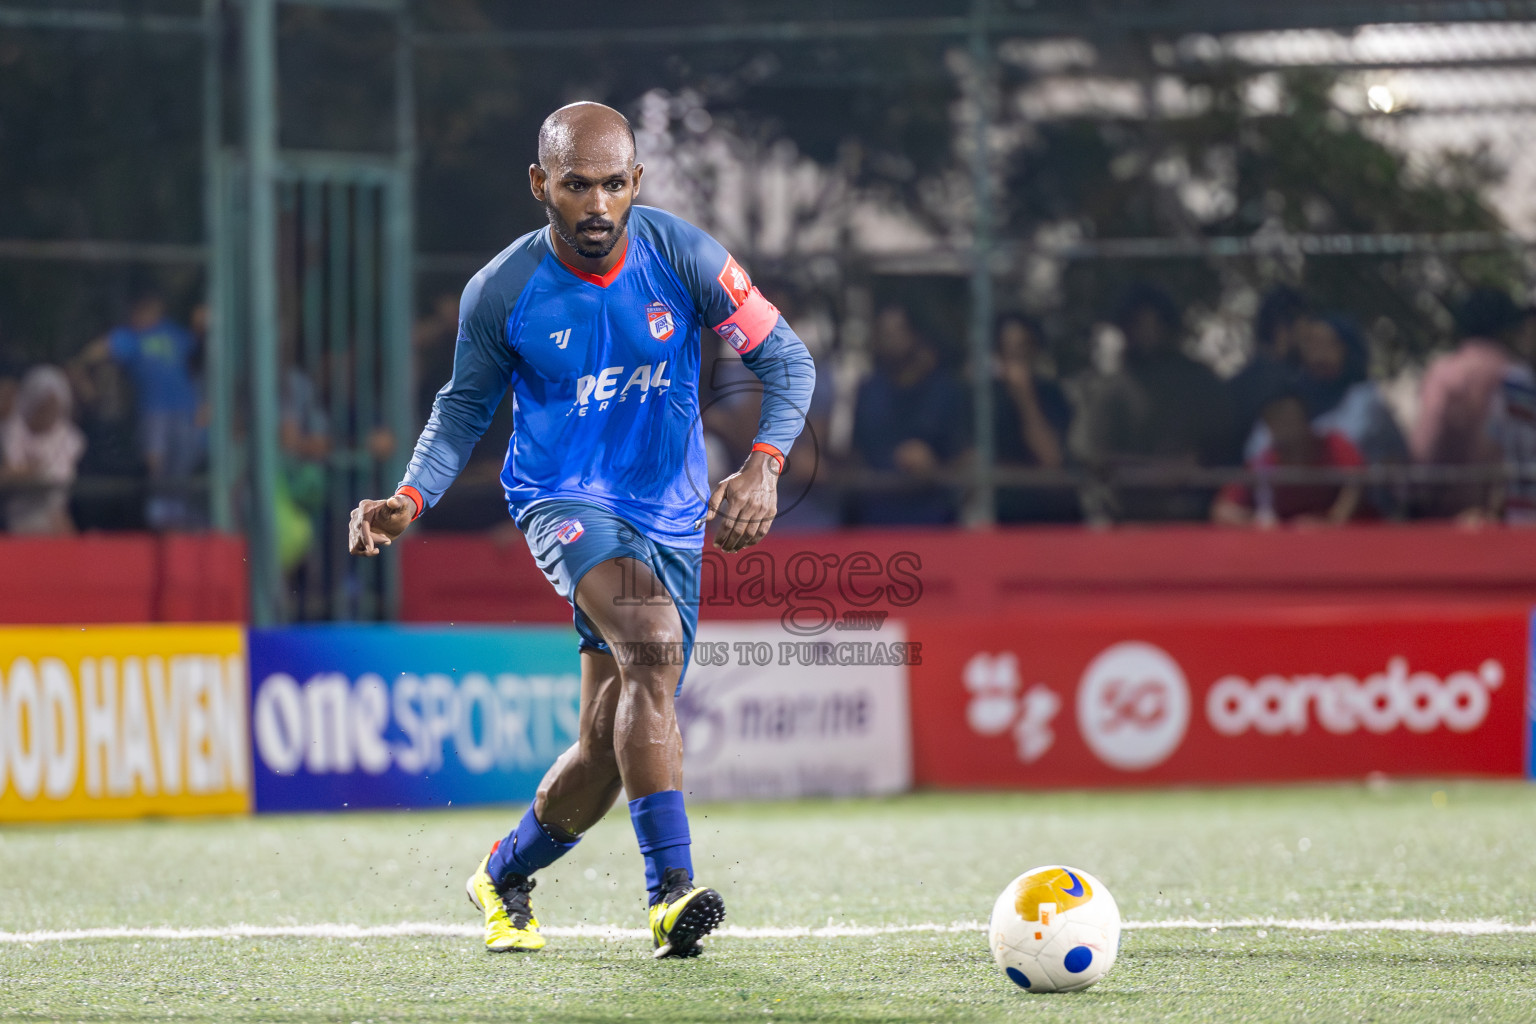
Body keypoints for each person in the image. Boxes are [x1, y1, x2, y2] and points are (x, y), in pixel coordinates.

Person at [346, 102, 814, 958]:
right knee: (653, 643)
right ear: (541, 186)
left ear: (635, 182)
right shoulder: (502, 290)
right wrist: (409, 499)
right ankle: (672, 891)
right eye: (575, 186)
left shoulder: (684, 255)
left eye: (611, 185)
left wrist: (764, 463)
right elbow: (461, 412)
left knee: (605, 740)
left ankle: (502, 871)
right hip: (563, 500)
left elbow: (787, 358)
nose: (596, 205)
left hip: (671, 516)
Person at [1073, 283, 1233, 521]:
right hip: (1128, 517)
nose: (1147, 332)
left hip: (1196, 515)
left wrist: (1192, 467)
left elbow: (1225, 446)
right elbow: (1093, 457)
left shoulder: (1200, 382)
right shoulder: (1109, 390)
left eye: (1155, 323)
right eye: (1138, 323)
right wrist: (1157, 470)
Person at [77, 289, 201, 529]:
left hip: (185, 409)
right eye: (139, 308)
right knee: (155, 460)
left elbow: (201, 351)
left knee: (184, 459)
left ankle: (177, 509)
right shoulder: (130, 338)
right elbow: (99, 350)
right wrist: (80, 365)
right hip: (153, 410)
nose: (144, 313)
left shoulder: (174, 333)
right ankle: (157, 511)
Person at [1411, 287, 1527, 517]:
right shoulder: (1518, 378)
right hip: (1507, 514)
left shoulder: (1445, 373)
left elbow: (1428, 443)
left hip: (1446, 512)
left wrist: (1417, 492)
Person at [848, 305, 968, 524]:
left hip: (933, 521)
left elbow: (966, 460)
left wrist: (934, 468)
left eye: (898, 331)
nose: (891, 339)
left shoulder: (945, 392)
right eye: (884, 332)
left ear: (916, 335)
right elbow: (854, 456)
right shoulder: (868, 391)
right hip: (875, 521)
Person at [1212, 389, 1364, 527]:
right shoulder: (1263, 463)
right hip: (1285, 544)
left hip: (1342, 540)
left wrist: (1330, 522)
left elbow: (1356, 483)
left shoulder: (1334, 445)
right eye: (1275, 420)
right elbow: (1223, 510)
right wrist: (1259, 522)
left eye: (1290, 418)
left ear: (1305, 419)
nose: (1284, 426)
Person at [989, 313, 1076, 523]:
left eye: (1021, 349)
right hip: (1004, 516)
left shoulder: (1053, 395)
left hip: (1052, 516)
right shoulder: (986, 400)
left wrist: (1026, 399)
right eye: (1007, 350)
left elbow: (1052, 459)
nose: (1015, 359)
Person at [1, 365, 86, 535]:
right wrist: (18, 474)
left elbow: (59, 490)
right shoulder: (10, 432)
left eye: (54, 406)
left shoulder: (72, 441)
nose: (48, 412)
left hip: (53, 522)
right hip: (15, 523)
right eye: (43, 406)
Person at [1228, 286, 1311, 444]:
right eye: (1304, 332)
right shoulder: (1293, 387)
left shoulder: (1232, 388)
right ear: (1282, 331)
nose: (1309, 343)